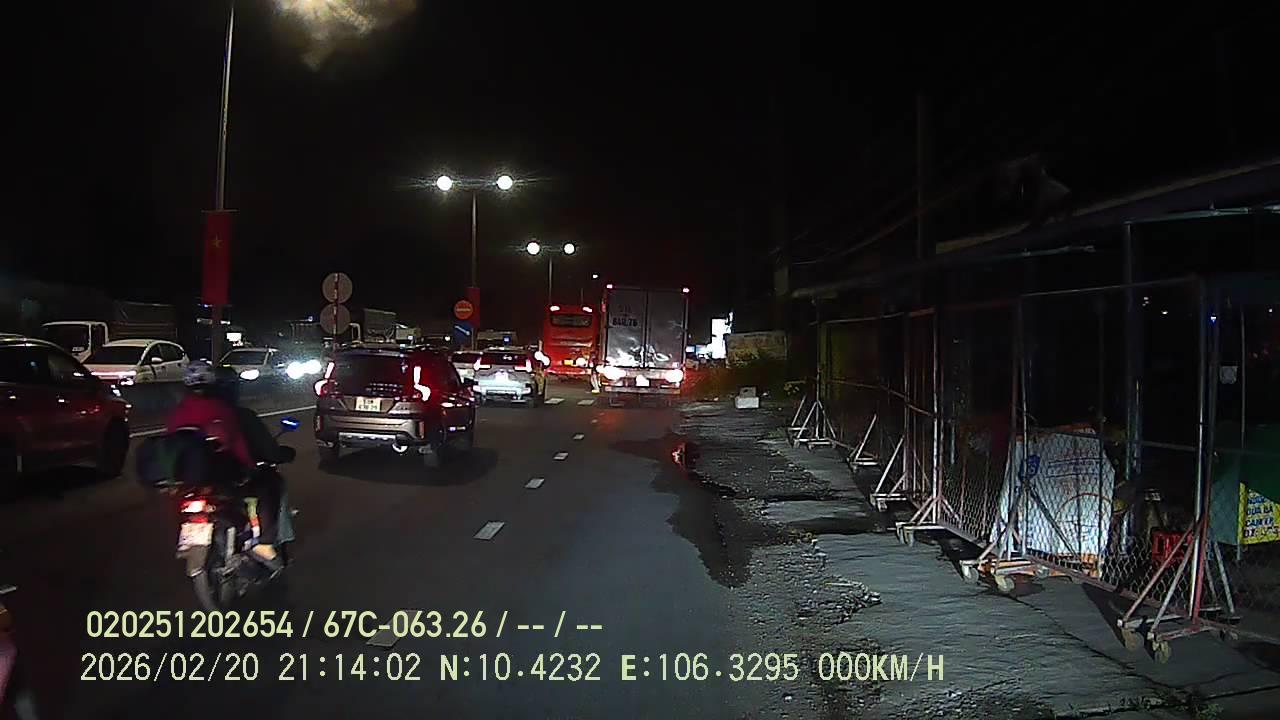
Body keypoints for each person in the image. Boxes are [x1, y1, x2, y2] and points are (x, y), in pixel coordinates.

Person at [166, 361, 282, 571]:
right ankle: (264, 544)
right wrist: (251, 467)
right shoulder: (223, 410)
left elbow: (171, 444)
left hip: (188, 480)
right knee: (269, 485)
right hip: (221, 477)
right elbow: (237, 443)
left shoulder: (178, 412)